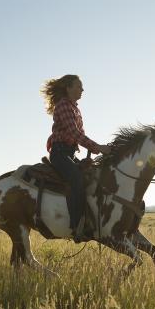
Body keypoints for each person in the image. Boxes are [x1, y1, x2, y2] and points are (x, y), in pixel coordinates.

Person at [41, 74, 111, 243]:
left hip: (70, 153)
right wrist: (98, 147)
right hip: (60, 154)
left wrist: (89, 153)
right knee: (77, 179)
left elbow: (79, 136)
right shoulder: (64, 105)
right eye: (79, 86)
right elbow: (74, 133)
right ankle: (76, 226)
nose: (82, 90)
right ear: (68, 88)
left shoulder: (75, 108)